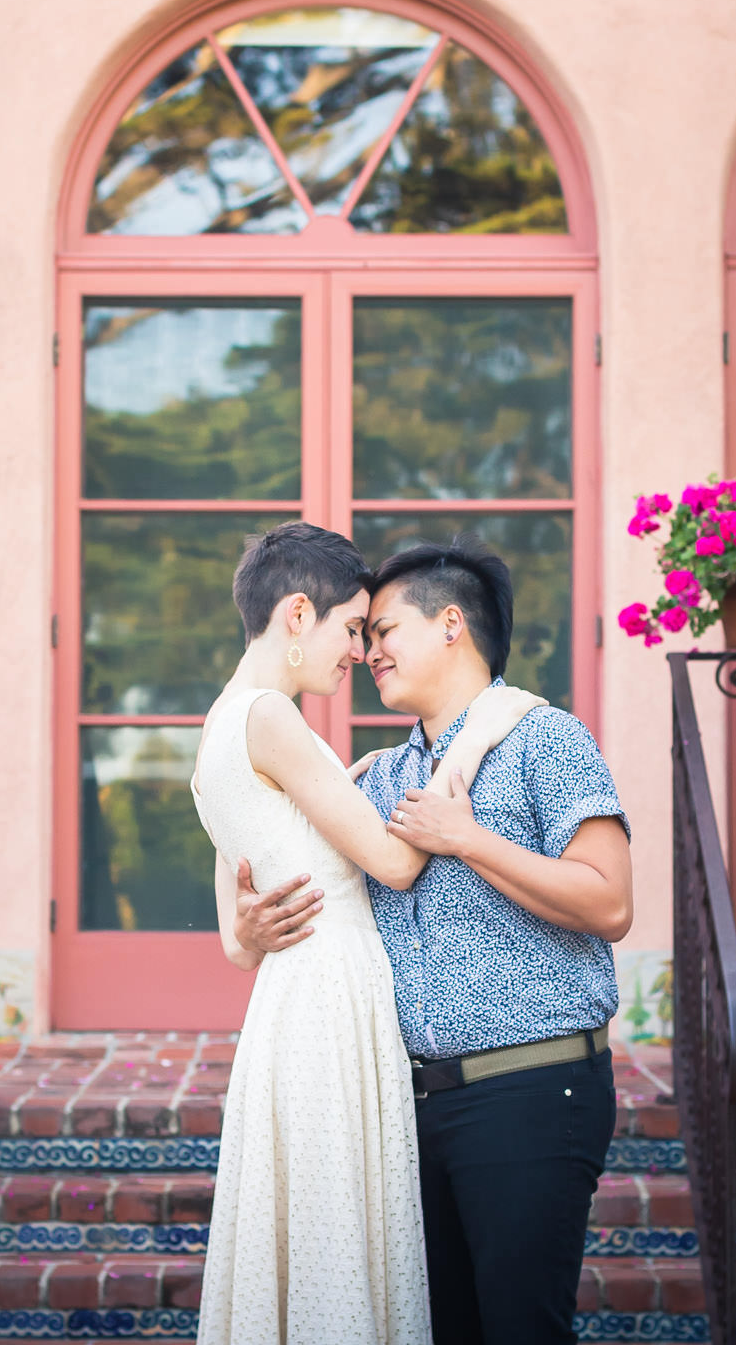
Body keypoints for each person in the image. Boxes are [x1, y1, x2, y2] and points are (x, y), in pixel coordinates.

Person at [234, 533, 633, 1345]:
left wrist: (467, 836)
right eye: (360, 635)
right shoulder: (377, 777)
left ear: (451, 624)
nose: (365, 651)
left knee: (522, 1327)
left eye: (381, 631)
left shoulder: (544, 740)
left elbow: (610, 903)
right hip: (405, 1105)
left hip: (530, 1088)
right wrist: (250, 927)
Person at [191, 521, 543, 1345]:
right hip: (328, 1001)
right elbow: (392, 862)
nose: (357, 651)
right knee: (338, 1238)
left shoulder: (220, 727)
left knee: (324, 1235)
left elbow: (236, 943)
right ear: (296, 615)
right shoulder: (272, 717)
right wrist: (481, 729)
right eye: (351, 628)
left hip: (295, 999)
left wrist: (343, 787)